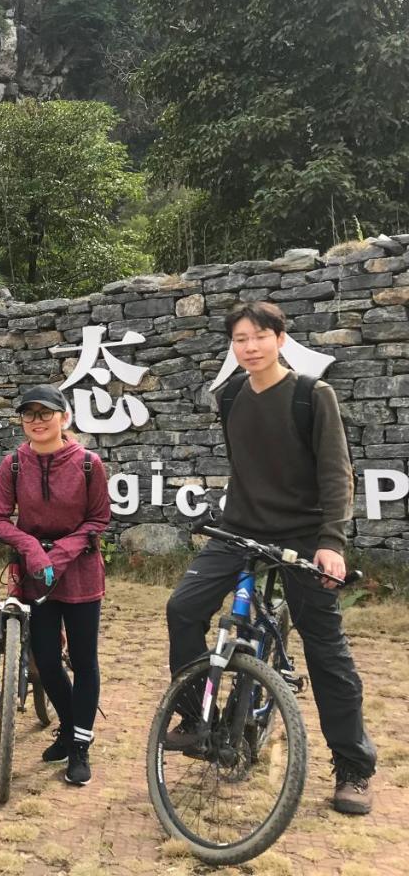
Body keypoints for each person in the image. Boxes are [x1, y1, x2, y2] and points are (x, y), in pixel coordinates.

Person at [165, 300, 377, 815]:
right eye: (240, 339)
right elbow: (248, 466)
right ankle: (197, 719)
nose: (250, 347)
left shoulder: (311, 394)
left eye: (259, 336)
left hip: (304, 535)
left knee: (326, 651)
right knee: (183, 609)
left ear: (281, 339)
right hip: (238, 528)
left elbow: (335, 473)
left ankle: (353, 767)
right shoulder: (231, 393)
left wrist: (331, 541)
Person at [0, 384, 110, 786]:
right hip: (34, 577)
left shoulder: (89, 464)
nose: (37, 421)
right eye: (29, 414)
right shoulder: (13, 465)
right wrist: (30, 549)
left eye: (46, 413)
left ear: (64, 418)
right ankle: (72, 726)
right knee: (45, 659)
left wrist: (61, 552)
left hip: (80, 572)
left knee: (84, 658)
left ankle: (79, 746)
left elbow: (98, 520)